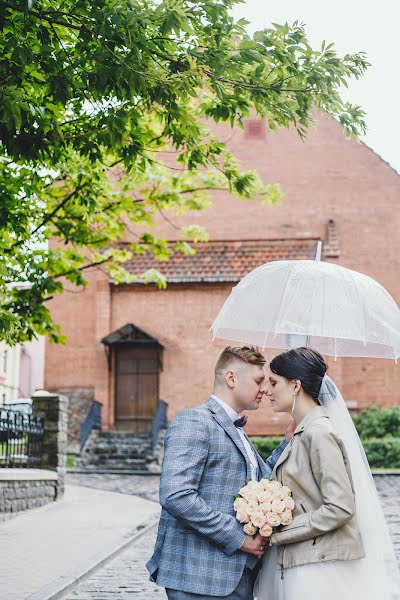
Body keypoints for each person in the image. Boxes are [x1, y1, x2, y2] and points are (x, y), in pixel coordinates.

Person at [146, 345, 294, 599]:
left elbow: (262, 478)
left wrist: (288, 441)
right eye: (259, 381)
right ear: (231, 378)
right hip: (199, 577)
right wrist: (239, 538)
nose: (265, 389)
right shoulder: (194, 421)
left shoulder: (237, 430)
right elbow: (176, 494)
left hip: (239, 576)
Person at [255, 347, 400, 600]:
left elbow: (340, 507)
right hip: (300, 562)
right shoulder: (302, 432)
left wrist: (278, 530)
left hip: (317, 569)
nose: (267, 389)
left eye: (274, 381)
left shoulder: (319, 433)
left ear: (295, 385)